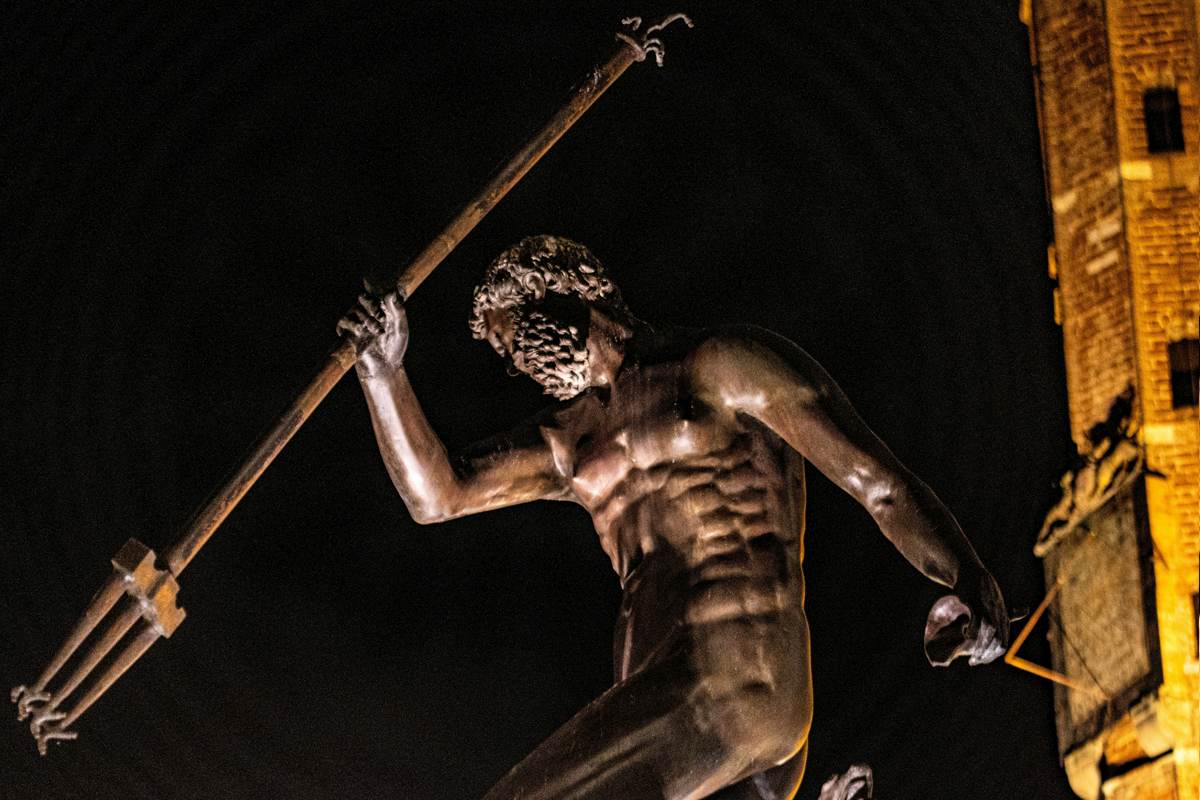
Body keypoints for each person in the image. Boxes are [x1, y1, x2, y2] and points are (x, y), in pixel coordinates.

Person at [336, 235, 1008, 800]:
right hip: (662, 715)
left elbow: (876, 483)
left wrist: (966, 575)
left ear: (563, 295)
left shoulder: (718, 367)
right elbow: (439, 495)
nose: (518, 367)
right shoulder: (568, 442)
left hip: (737, 683)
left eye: (519, 342)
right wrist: (384, 375)